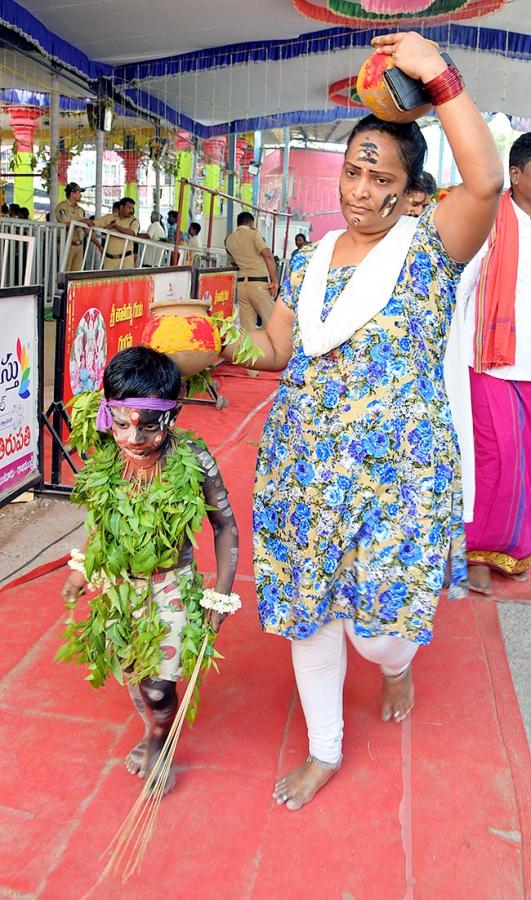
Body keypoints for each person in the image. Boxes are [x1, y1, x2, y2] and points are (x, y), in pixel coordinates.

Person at [223, 31, 502, 811]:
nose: (359, 189)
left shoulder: (429, 248)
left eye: (379, 177)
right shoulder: (310, 259)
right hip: (300, 472)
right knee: (310, 618)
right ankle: (323, 750)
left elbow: (482, 183)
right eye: (352, 169)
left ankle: (395, 664)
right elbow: (280, 348)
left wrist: (436, 75)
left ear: (410, 189)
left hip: (397, 481)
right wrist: (223, 343)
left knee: (375, 630)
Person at [60, 346, 239, 792]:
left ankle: (160, 742)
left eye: (148, 425)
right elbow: (100, 517)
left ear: (173, 416)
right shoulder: (106, 458)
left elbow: (226, 527)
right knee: (134, 675)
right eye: (120, 424)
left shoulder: (195, 460)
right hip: (118, 586)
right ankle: (152, 731)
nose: (132, 438)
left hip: (171, 586)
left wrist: (220, 593)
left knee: (161, 689)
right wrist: (83, 567)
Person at [457, 132, 531, 595]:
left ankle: (517, 547)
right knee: (496, 456)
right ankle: (476, 551)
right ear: (518, 175)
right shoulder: (489, 220)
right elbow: (459, 286)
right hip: (490, 361)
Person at [225, 211, 279, 335]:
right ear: (250, 222)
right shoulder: (254, 234)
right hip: (259, 284)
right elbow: (268, 256)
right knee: (273, 323)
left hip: (242, 286)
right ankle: (270, 353)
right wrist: (274, 280)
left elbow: (233, 263)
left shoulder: (229, 239)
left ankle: (250, 354)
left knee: (247, 330)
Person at [93, 196, 140, 269]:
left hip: (126, 260)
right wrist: (83, 222)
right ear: (121, 207)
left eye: (132, 208)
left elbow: (132, 233)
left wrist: (116, 227)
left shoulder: (134, 221)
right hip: (109, 259)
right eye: (129, 208)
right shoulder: (109, 217)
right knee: (108, 280)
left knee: (125, 280)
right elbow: (95, 223)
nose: (131, 211)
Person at [55, 183, 93, 271]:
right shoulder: (62, 207)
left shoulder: (80, 210)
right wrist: (82, 222)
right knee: (65, 272)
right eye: (79, 192)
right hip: (67, 244)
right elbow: (66, 225)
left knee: (76, 274)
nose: (81, 195)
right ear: (72, 193)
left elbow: (86, 228)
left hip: (79, 245)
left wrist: (98, 244)